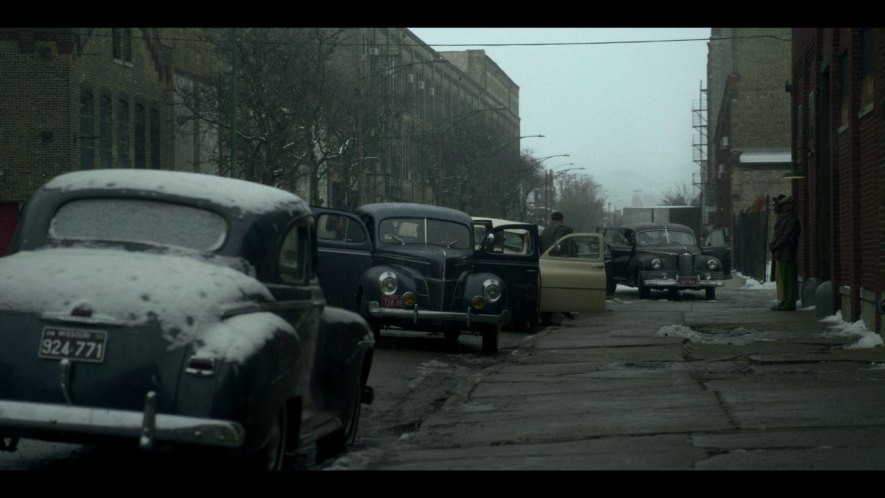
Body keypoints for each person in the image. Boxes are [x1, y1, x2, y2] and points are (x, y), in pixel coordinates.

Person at [539, 211, 575, 325]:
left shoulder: (545, 231)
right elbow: (568, 230)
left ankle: (547, 316)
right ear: (561, 220)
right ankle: (560, 311)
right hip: (558, 262)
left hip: (545, 262)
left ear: (551, 219)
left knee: (549, 289)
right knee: (563, 288)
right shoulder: (561, 229)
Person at [769, 196, 800, 311]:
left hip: (788, 251)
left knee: (789, 278)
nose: (785, 207)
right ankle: (784, 299)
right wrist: (773, 244)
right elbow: (777, 234)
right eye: (783, 205)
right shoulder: (782, 217)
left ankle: (790, 302)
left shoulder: (792, 218)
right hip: (780, 252)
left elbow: (787, 234)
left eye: (787, 204)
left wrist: (777, 245)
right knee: (782, 280)